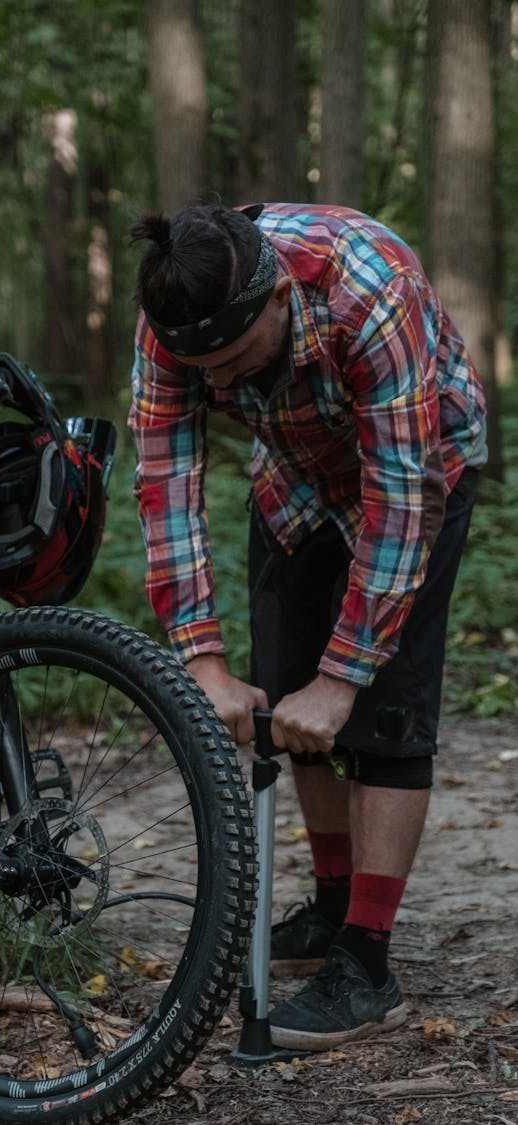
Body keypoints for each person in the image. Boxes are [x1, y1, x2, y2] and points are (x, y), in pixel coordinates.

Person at [127, 202, 487, 1051]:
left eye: (239, 361)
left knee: (385, 709)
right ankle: (330, 909)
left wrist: (346, 676)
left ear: (280, 296)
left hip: (418, 465)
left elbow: (400, 499)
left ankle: (367, 961)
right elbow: (165, 482)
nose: (224, 383)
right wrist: (203, 660)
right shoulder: (171, 327)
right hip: (291, 476)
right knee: (285, 693)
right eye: (206, 370)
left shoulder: (372, 292)